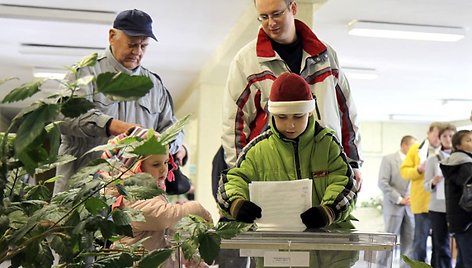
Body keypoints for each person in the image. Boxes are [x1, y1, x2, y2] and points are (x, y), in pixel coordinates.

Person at [217, 73, 357, 267]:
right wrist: (236, 203)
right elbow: (232, 180)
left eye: (298, 116)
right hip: (276, 255)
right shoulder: (257, 150)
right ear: (272, 114)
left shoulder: (328, 145)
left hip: (328, 255)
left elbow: (345, 181)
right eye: (282, 117)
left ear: (309, 112)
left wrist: (328, 211)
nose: (290, 124)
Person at [220, 0, 362, 192]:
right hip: (272, 169)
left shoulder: (325, 55)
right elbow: (234, 124)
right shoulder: (246, 61)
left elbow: (346, 112)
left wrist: (352, 163)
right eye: (263, 17)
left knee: (325, 219)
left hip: (325, 163)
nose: (271, 23)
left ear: (293, 8)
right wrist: (240, 175)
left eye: (276, 14)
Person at [54, 9, 185, 194]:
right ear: (112, 36)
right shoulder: (84, 73)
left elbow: (173, 129)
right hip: (82, 191)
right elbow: (63, 118)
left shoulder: (154, 85)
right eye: (132, 44)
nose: (137, 51)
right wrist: (117, 127)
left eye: (143, 46)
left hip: (134, 197)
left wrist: (168, 145)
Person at [100, 126, 212, 267]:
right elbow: (163, 217)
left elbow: (167, 236)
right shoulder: (129, 196)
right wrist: (196, 208)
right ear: (135, 166)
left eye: (166, 162)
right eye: (156, 164)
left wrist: (190, 259)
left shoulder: (153, 195)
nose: (164, 169)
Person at [400, 122, 443, 263]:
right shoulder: (416, 150)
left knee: (440, 242)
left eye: (440, 136)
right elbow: (404, 172)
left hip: (441, 204)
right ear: (428, 133)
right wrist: (418, 169)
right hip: (422, 204)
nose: (438, 139)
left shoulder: (447, 151)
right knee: (420, 241)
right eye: (435, 135)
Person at [378, 135, 416, 268]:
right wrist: (400, 199)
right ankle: (382, 266)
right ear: (404, 145)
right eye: (412, 146)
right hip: (394, 207)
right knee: (388, 243)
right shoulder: (388, 159)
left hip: (410, 209)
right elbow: (382, 183)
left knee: (409, 243)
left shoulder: (415, 163)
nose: (415, 150)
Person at [424, 123, 456, 268]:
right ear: (440, 138)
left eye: (451, 136)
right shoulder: (432, 159)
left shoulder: (462, 157)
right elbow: (425, 186)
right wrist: (433, 181)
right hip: (437, 209)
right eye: (445, 136)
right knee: (440, 244)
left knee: (459, 243)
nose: (448, 139)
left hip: (456, 207)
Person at [440, 130, 472, 268]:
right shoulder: (464, 164)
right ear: (458, 146)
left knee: (462, 260)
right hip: (467, 219)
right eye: (469, 140)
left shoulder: (455, 161)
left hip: (459, 220)